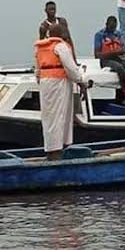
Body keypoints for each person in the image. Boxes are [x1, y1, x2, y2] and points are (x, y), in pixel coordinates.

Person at [35, 24, 87, 161]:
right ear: (60, 33)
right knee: (60, 116)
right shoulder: (60, 46)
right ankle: (57, 152)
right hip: (59, 83)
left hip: (45, 83)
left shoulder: (40, 48)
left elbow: (37, 70)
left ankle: (50, 150)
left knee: (48, 117)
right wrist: (81, 81)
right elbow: (71, 68)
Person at [93, 15, 125, 90]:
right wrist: (113, 53)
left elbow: (123, 48)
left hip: (117, 58)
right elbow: (97, 55)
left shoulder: (118, 34)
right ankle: (124, 89)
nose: (112, 29)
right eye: (111, 27)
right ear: (106, 24)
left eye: (114, 27)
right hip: (105, 60)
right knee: (119, 67)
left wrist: (121, 51)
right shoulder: (99, 35)